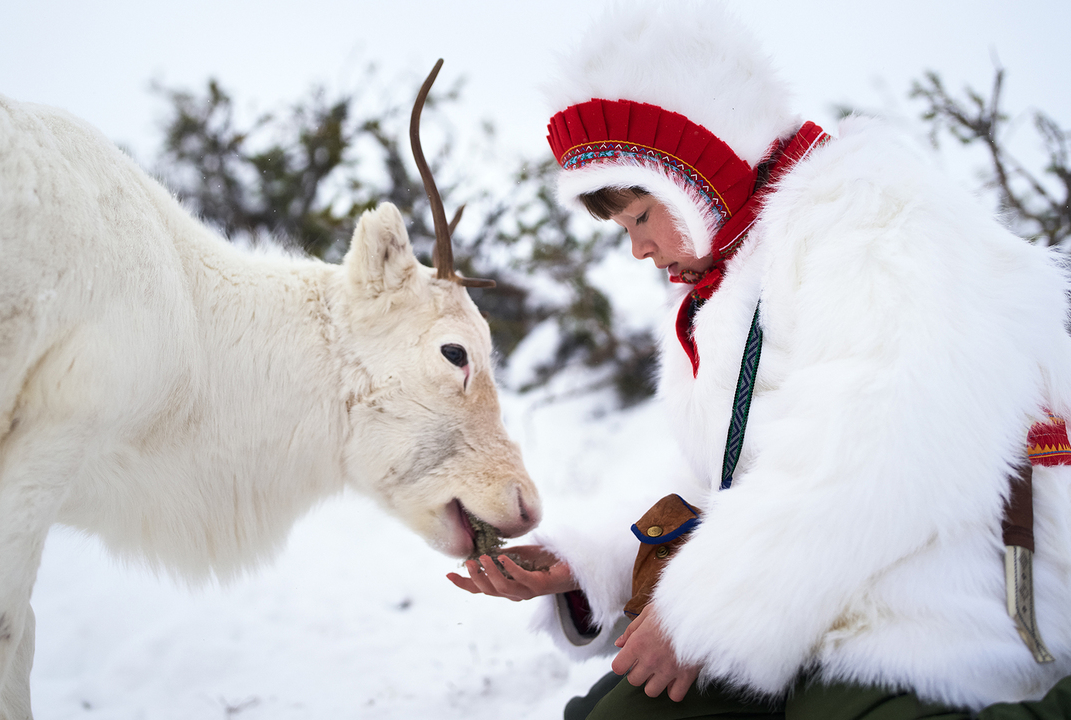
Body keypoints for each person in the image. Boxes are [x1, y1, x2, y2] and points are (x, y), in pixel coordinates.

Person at [447, 3, 1071, 719]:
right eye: (622, 229)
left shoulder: (873, 219)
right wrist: (592, 563)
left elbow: (875, 453)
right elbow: (729, 474)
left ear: (697, 163)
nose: (638, 250)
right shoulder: (732, 278)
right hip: (803, 603)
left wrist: (704, 615)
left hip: (932, 610)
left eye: (641, 216)